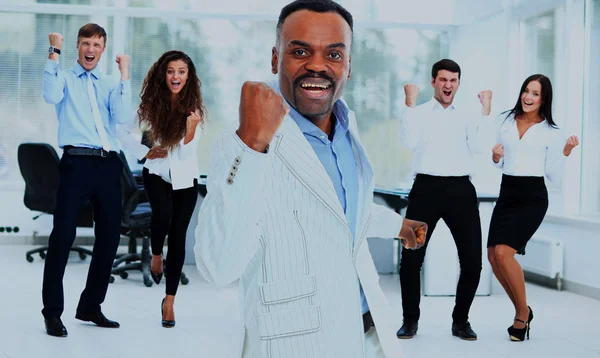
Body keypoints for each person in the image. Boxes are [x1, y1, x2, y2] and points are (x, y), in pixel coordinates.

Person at [194, 0, 427, 357]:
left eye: (334, 55)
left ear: (348, 65)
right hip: (296, 340)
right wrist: (253, 146)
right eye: (300, 51)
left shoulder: (348, 127)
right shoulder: (243, 143)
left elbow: (338, 208)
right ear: (275, 59)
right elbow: (217, 266)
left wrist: (399, 225)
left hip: (367, 328)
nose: (317, 65)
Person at [41, 23, 131, 337]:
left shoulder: (109, 82)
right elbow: (50, 96)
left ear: (103, 49)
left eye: (95, 44)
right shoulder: (63, 77)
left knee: (108, 239)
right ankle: (52, 313)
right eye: (84, 43)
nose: (90, 49)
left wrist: (124, 77)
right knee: (62, 238)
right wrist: (53, 52)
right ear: (77, 47)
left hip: (108, 165)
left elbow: (121, 117)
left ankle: (90, 306)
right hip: (76, 163)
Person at [396, 59, 493, 341]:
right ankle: (409, 321)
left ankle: (460, 321)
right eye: (442, 80)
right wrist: (409, 103)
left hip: (461, 192)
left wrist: (486, 110)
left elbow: (478, 147)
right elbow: (408, 141)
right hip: (424, 190)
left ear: (458, 84)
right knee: (411, 259)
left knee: (473, 261)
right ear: (433, 82)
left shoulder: (468, 115)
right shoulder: (420, 111)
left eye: (453, 80)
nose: (448, 85)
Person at [488, 74, 579, 342]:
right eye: (526, 91)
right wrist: (495, 156)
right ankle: (524, 310)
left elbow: (553, 176)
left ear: (544, 99)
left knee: (505, 253)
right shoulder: (504, 120)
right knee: (493, 258)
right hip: (507, 192)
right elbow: (498, 161)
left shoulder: (552, 131)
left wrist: (565, 153)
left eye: (535, 93)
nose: (528, 97)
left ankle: (521, 315)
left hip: (532, 197)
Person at [117, 50, 205, 328]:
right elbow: (120, 129)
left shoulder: (194, 108)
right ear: (163, 74)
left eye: (181, 71)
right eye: (171, 71)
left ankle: (169, 301)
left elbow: (188, 149)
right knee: (162, 215)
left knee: (178, 236)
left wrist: (191, 128)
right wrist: (143, 152)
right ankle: (156, 254)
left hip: (186, 179)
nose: (176, 76)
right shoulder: (149, 105)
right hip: (155, 173)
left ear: (188, 76)